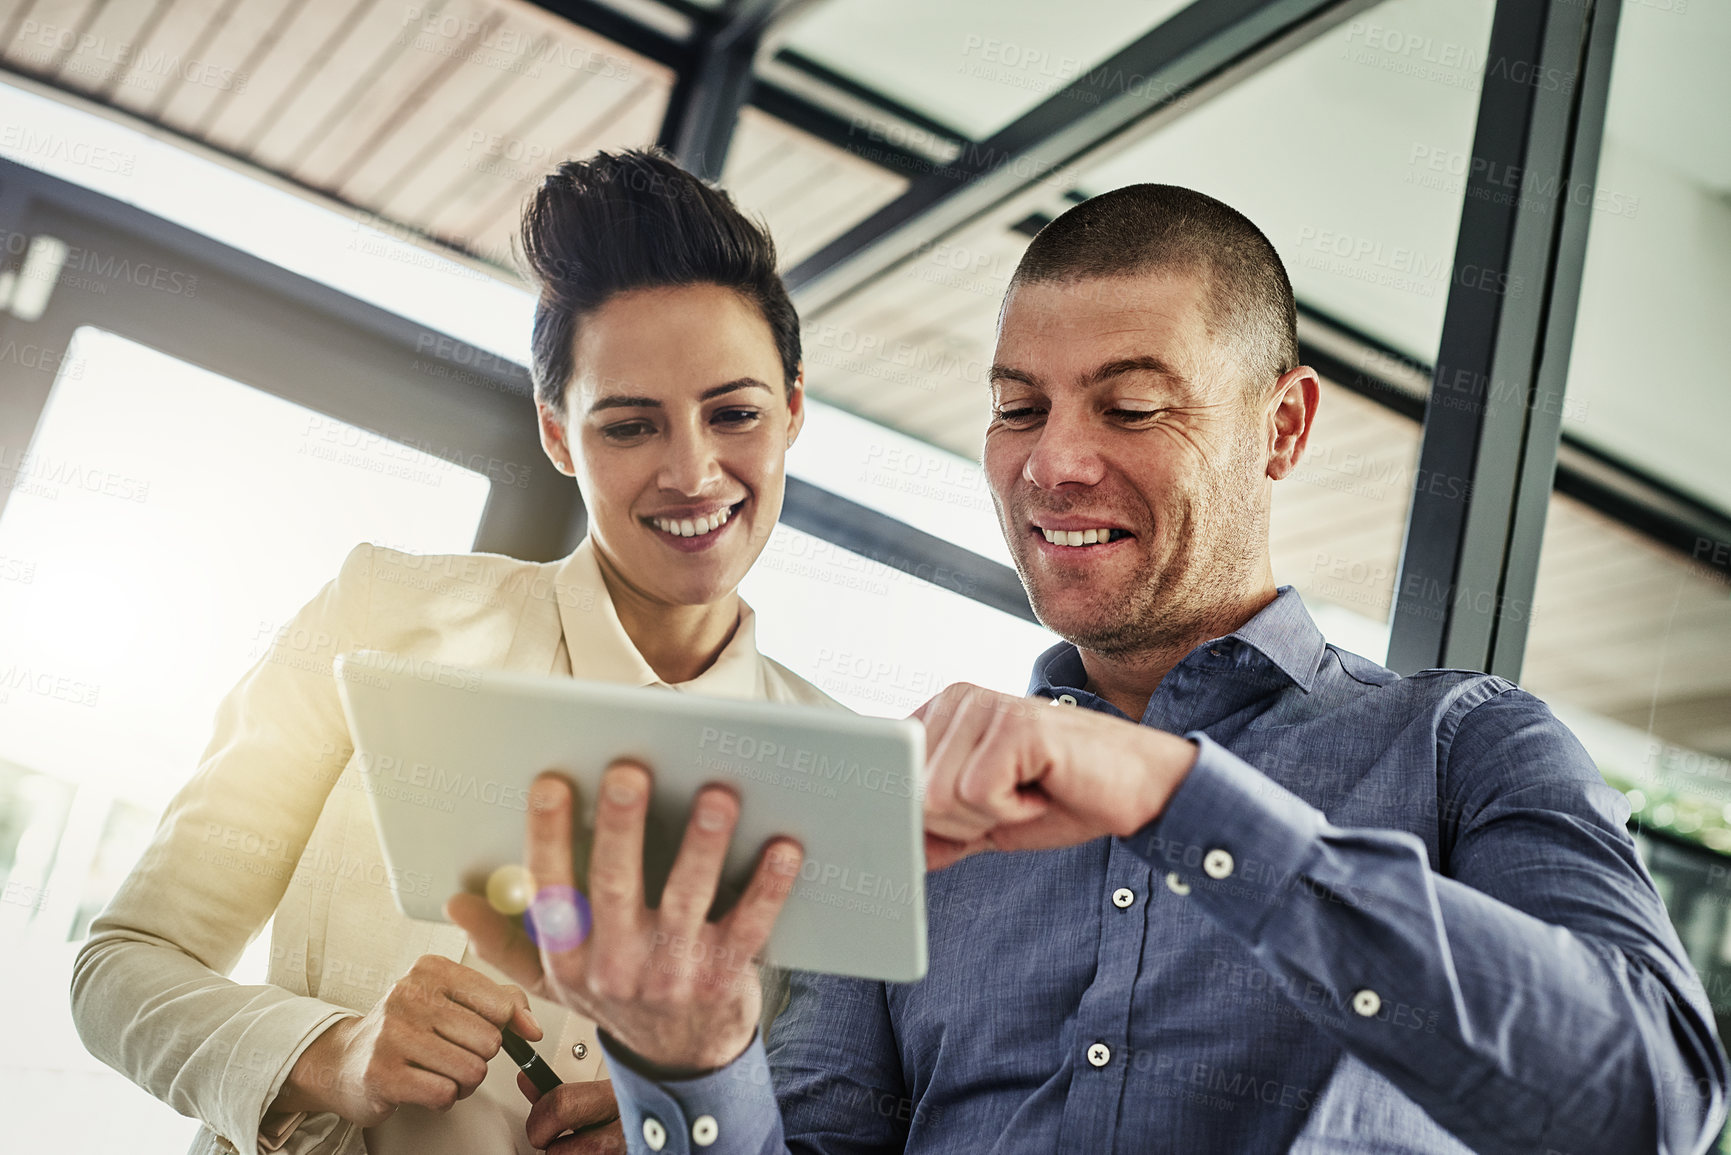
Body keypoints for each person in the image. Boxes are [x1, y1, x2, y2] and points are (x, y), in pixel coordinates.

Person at [452, 184, 1731, 1154]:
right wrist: (690, 1062)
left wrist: (1170, 794)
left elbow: (1650, 1100)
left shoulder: (1463, 746)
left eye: (1129, 407)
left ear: (1281, 426)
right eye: (1019, 407)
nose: (1054, 462)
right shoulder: (904, 809)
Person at [69, 149, 837, 1155]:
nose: (693, 473)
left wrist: (691, 1122)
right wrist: (331, 1053)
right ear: (559, 436)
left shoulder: (842, 775)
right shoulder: (381, 620)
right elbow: (121, 967)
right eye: (628, 425)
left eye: (734, 413)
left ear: (792, 409)